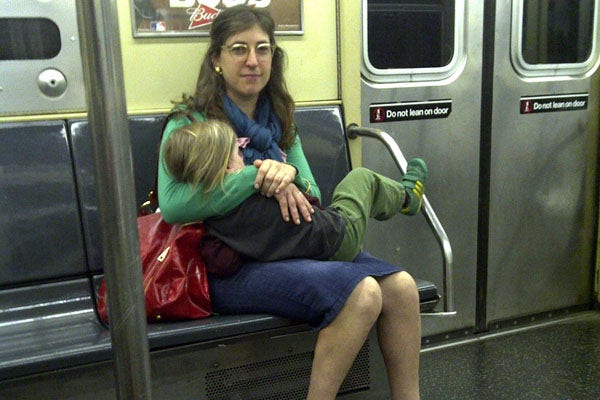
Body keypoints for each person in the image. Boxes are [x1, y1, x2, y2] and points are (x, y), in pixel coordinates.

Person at [157, 5, 422, 399]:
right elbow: (175, 205)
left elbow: (311, 194)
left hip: (287, 242)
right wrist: (253, 177)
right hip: (233, 262)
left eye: (262, 49)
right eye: (238, 49)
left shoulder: (280, 119)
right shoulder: (190, 122)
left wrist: (289, 175)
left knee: (401, 287)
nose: (252, 61)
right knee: (362, 293)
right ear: (216, 59)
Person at [162, 119, 428, 263]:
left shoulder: (215, 217)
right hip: (337, 235)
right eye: (238, 153)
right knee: (361, 179)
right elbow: (311, 203)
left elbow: (224, 260)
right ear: (226, 166)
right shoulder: (259, 190)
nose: (244, 158)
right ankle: (407, 198)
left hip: (316, 248)